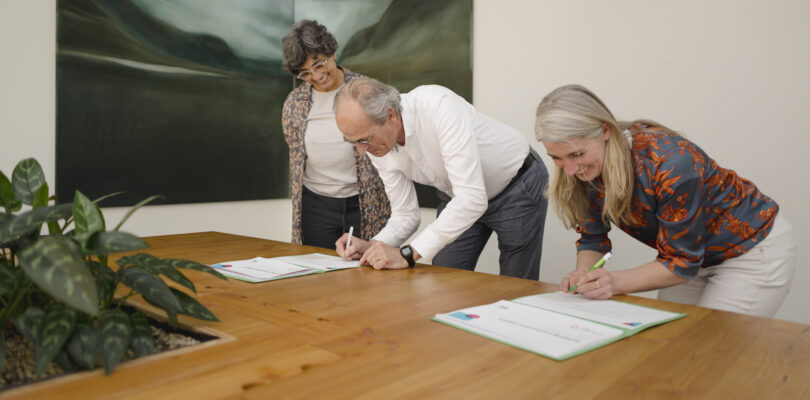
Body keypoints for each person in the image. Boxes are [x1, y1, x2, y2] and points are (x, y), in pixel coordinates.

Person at [534, 84, 796, 317]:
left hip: (750, 251)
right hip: (688, 257)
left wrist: (613, 282)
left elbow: (682, 261)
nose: (569, 170)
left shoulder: (670, 161)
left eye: (576, 154)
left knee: (715, 356)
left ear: (605, 131)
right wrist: (584, 273)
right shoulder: (581, 170)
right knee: (672, 348)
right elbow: (593, 238)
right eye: (556, 158)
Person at [333, 78, 549, 280]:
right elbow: (406, 214)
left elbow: (472, 199)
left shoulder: (439, 106)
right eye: (353, 142)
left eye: (364, 140)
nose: (362, 151)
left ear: (390, 115)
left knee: (515, 286)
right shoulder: (376, 146)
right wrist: (373, 245)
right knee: (441, 281)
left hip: (517, 185)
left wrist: (407, 254)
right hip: (459, 196)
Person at [281, 20, 390, 248]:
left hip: (364, 201)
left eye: (319, 65)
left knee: (368, 271)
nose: (316, 76)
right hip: (316, 206)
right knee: (317, 275)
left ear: (331, 52)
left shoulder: (365, 90)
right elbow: (295, 151)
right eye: (305, 73)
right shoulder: (294, 103)